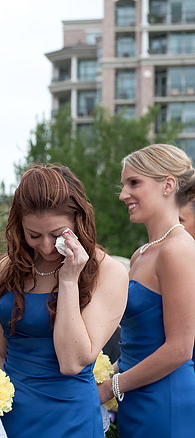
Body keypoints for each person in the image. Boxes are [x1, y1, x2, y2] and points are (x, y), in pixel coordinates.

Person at [0, 164, 128, 437]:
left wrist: (69, 280)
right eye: (34, 235)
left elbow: (72, 363)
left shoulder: (108, 272)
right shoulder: (9, 268)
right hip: (9, 417)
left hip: (69, 419)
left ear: (78, 221)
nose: (47, 247)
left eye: (58, 234)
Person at [96, 144, 195, 436]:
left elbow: (180, 348)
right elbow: (137, 343)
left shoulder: (177, 250)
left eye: (134, 183)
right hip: (135, 396)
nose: (123, 194)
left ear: (168, 185)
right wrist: (108, 376)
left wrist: (113, 386)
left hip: (165, 399)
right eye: (124, 184)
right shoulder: (141, 254)